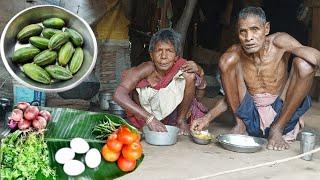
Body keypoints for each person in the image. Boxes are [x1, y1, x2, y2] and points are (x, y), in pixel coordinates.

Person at [192, 6, 320, 151]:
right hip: (250, 119)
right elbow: (231, 96)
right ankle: (239, 125)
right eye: (243, 32)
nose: (248, 38)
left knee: (305, 64)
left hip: (282, 113)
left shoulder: (279, 42)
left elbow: (314, 56)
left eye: (254, 29)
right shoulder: (236, 54)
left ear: (266, 28)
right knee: (227, 60)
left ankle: (277, 129)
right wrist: (207, 118)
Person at [113, 28, 207, 135]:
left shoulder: (182, 66)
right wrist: (149, 119)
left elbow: (199, 97)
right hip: (146, 115)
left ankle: (181, 120)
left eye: (169, 51)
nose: (163, 57)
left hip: (173, 114)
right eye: (159, 50)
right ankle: (148, 122)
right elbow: (118, 94)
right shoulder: (146, 68)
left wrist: (201, 72)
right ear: (151, 55)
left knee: (189, 75)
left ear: (176, 56)